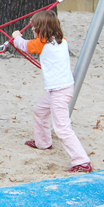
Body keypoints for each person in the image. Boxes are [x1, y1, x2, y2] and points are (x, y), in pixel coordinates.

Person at [12, 11, 92, 173]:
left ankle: (82, 162)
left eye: (34, 28)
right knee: (39, 110)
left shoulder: (41, 43)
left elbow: (24, 46)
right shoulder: (61, 41)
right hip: (60, 88)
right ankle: (43, 142)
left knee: (62, 128)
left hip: (59, 91)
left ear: (41, 29)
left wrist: (16, 36)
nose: (32, 30)